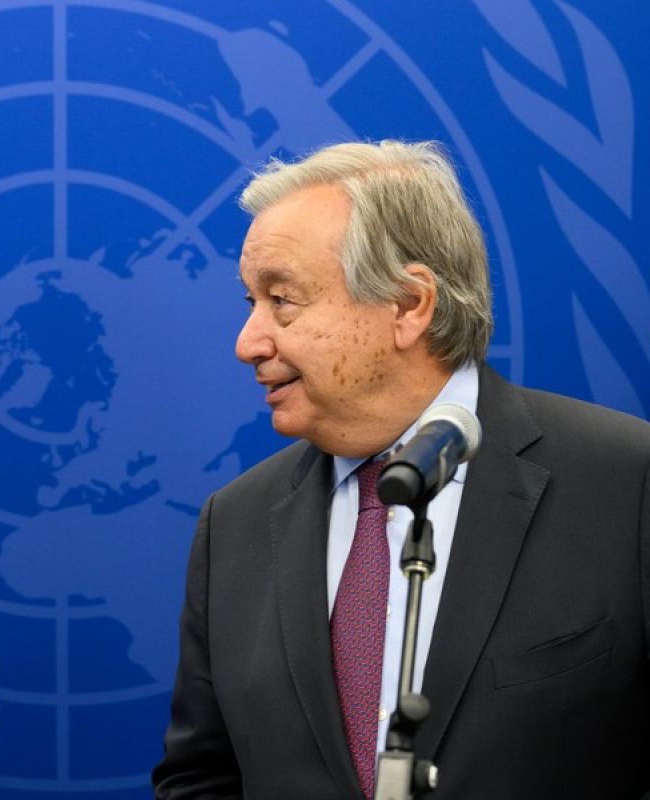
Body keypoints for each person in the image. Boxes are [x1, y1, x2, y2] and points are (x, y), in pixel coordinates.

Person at [152, 140, 650, 799]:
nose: (248, 342)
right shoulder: (233, 525)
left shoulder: (626, 482)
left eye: (283, 299)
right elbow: (202, 778)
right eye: (251, 301)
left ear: (409, 305)